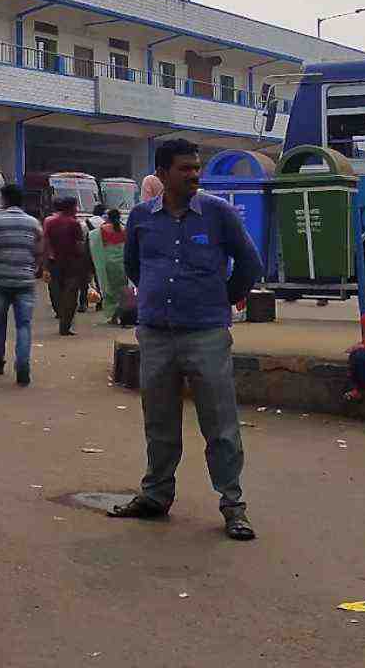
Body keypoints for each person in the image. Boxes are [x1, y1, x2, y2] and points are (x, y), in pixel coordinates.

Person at [111, 138, 264, 541]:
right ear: (162, 174)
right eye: (185, 168)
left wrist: (223, 298)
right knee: (158, 421)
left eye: (197, 167)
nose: (194, 174)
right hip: (157, 335)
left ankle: (233, 505)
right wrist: (155, 301)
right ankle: (156, 495)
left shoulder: (219, 214)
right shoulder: (142, 217)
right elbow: (134, 265)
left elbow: (250, 263)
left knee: (220, 424)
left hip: (207, 334)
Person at [0, 183, 43, 386]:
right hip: (25, 280)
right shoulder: (33, 223)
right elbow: (39, 251)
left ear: (4, 200)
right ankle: (23, 365)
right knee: (24, 325)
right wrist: (33, 268)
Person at [43, 197, 89, 335]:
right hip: (72, 264)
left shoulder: (50, 222)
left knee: (57, 291)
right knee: (71, 295)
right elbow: (79, 246)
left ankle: (60, 313)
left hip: (54, 262)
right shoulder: (74, 224)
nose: (77, 209)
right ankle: (65, 326)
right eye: (75, 207)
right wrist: (85, 264)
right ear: (71, 208)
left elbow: (45, 243)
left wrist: (45, 264)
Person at [87, 207, 130, 324]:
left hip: (108, 265)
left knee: (110, 291)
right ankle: (120, 315)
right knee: (122, 291)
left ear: (108, 218)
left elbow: (92, 240)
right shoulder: (125, 230)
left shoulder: (101, 230)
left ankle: (113, 316)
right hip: (122, 266)